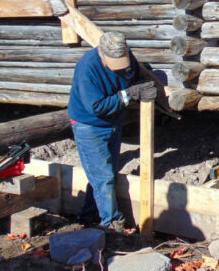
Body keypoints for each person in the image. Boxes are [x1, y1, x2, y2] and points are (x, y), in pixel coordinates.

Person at [68, 31, 163, 231]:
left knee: (104, 174)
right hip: (90, 126)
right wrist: (129, 94)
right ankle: (112, 225)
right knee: (103, 177)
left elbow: (137, 76)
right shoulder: (88, 68)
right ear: (101, 53)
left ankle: (87, 216)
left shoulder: (127, 57)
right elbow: (97, 106)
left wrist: (148, 85)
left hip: (112, 123)